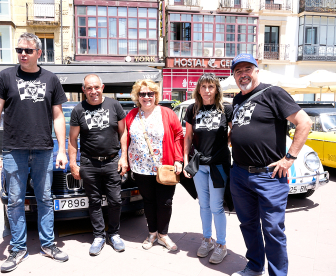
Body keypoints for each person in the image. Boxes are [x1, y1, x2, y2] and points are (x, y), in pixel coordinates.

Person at [0, 33, 69, 273]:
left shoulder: (51, 79)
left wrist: (61, 149)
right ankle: (18, 248)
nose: (23, 54)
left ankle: (48, 244)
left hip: (44, 149)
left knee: (45, 199)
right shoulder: (5, 77)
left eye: (28, 50)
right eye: (19, 49)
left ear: (39, 53)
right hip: (14, 149)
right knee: (14, 201)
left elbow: (58, 116)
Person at [229, 54, 312, 276]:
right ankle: (255, 266)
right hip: (239, 174)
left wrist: (290, 158)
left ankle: (278, 274)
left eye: (247, 69)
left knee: (273, 229)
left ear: (257, 71)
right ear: (234, 76)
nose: (243, 74)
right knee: (247, 225)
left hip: (269, 176)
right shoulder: (237, 100)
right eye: (238, 71)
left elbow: (304, 122)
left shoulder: (273, 93)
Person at [68, 74, 128, 256]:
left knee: (116, 200)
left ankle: (114, 234)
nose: (93, 91)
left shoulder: (114, 105)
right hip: (89, 162)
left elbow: (123, 133)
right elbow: (72, 139)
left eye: (96, 87)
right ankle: (98, 236)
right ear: (83, 90)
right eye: (89, 88)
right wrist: (73, 163)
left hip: (111, 161)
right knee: (93, 201)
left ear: (102, 87)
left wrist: (123, 157)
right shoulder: (78, 110)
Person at [125, 79, 184, 251]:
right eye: (142, 94)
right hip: (140, 168)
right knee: (149, 201)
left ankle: (163, 235)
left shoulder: (166, 113)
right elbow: (124, 138)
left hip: (164, 166)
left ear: (156, 95)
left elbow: (179, 135)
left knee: (165, 201)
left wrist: (178, 159)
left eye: (150, 93)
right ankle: (152, 233)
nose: (146, 97)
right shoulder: (131, 115)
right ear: (138, 96)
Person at [182, 73, 232, 264]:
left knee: (216, 206)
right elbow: (187, 137)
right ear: (198, 89)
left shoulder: (226, 108)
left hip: (218, 165)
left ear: (217, 89)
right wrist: (186, 161)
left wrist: (224, 144)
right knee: (203, 205)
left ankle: (221, 244)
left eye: (211, 87)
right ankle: (207, 239)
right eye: (203, 87)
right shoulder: (192, 109)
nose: (207, 91)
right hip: (199, 165)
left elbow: (235, 130)